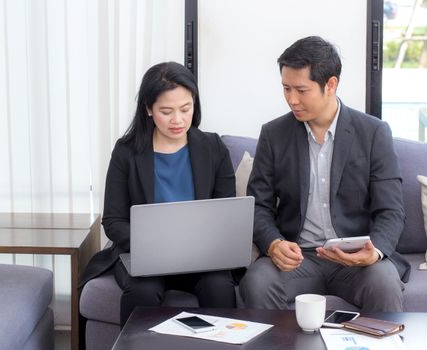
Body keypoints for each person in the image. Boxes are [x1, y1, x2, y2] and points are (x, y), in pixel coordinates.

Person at [239, 36, 410, 312]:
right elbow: (258, 206)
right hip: (299, 260)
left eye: (301, 90)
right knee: (257, 281)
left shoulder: (374, 133)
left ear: (330, 85)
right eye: (286, 89)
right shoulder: (274, 135)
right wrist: (273, 244)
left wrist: (374, 251)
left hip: (355, 260)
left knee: (383, 282)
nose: (291, 100)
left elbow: (391, 210)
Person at [81, 61, 237, 326]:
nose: (177, 119)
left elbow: (227, 215)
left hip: (200, 256)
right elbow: (113, 221)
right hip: (143, 254)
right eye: (166, 111)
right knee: (143, 290)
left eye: (185, 109)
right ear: (148, 109)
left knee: (219, 287)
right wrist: (153, 245)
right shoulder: (127, 152)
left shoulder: (212, 147)